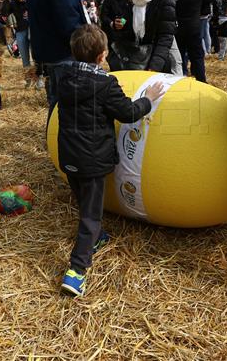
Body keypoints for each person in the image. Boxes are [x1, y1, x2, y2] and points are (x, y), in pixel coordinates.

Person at [55, 25, 164, 296]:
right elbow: (127, 112)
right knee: (91, 215)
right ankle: (76, 271)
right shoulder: (105, 84)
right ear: (103, 55)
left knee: (83, 199)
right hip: (92, 160)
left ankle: (96, 237)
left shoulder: (63, 76)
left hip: (68, 155)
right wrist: (148, 100)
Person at [26, 0, 86, 109]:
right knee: (66, 105)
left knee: (56, 102)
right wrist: (84, 44)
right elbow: (68, 18)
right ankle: (58, 137)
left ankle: (54, 135)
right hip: (63, 52)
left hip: (48, 52)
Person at [100, 0, 178, 72]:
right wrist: (119, 25)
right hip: (132, 62)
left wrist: (155, 66)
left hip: (156, 62)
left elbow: (165, 37)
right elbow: (125, 23)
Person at [174, 0, 207, 82]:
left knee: (180, 56)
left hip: (179, 27)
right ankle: (201, 81)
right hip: (194, 26)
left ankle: (180, 80)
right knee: (197, 56)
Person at [7, 0, 32, 86]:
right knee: (25, 58)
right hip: (20, 30)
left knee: (36, 55)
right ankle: (28, 80)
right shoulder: (11, 0)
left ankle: (39, 78)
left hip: (32, 27)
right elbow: (4, 13)